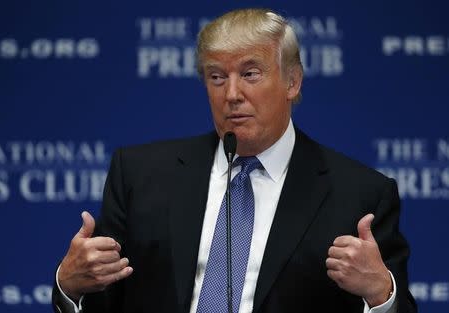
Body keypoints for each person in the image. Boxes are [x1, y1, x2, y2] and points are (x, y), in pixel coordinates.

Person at [52, 8, 417, 313]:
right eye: (216, 77)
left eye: (249, 74)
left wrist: (380, 294)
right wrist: (69, 288)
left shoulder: (361, 195)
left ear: (293, 81)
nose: (231, 94)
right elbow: (101, 298)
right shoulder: (139, 174)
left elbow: (398, 305)